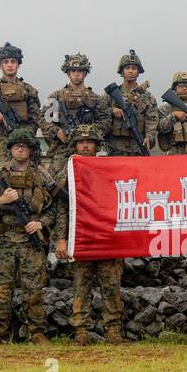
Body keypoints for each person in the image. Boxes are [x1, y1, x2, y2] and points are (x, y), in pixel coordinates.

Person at [0, 128, 58, 345]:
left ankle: (37, 331)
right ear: (10, 150)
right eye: (16, 146)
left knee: (33, 289)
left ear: (31, 150)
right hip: (4, 239)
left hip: (30, 242)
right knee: (1, 288)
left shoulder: (42, 176)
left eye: (25, 146)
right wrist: (0, 201)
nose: (20, 149)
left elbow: (53, 208)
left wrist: (40, 223)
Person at [53, 125, 126, 345]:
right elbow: (61, 207)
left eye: (90, 142)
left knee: (111, 286)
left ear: (97, 145)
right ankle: (81, 331)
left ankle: (113, 330)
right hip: (81, 237)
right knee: (81, 286)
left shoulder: (108, 168)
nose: (85, 146)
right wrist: (61, 239)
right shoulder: (68, 170)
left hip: (106, 237)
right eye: (81, 142)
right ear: (74, 145)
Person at [0, 41, 43, 162]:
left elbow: (35, 117)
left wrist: (24, 134)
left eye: (13, 61)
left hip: (24, 140)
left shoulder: (28, 90)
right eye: (5, 62)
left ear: (18, 65)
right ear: (0, 65)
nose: (9, 65)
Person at [105, 49, 158, 157]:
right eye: (127, 68)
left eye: (134, 68)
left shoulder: (147, 97)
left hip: (137, 148)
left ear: (138, 72)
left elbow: (151, 121)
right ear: (122, 71)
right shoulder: (110, 95)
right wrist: (112, 110)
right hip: (114, 149)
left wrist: (149, 137)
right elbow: (100, 113)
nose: (130, 71)